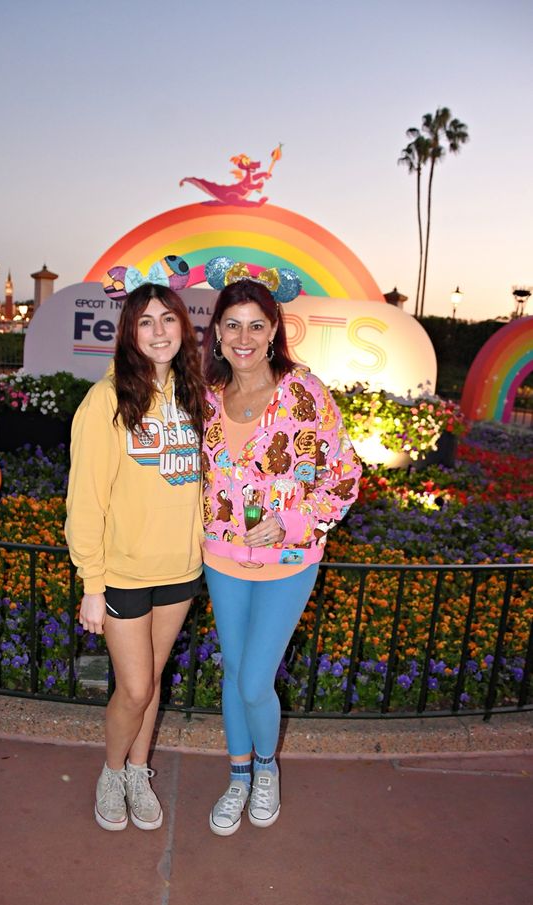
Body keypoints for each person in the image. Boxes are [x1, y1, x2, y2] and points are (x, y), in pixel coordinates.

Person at [201, 258, 362, 836]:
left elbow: (344, 474)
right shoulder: (205, 399)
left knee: (253, 680)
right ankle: (238, 775)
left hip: (290, 562)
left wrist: (294, 524)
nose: (244, 338)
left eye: (256, 325)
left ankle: (266, 768)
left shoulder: (304, 393)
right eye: (232, 325)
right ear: (217, 332)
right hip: (221, 559)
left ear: (274, 331)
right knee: (234, 672)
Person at [65, 277, 204, 832]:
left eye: (167, 319)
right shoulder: (106, 400)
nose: (158, 331)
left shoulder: (195, 397)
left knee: (154, 677)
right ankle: (112, 769)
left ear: (182, 328)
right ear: (129, 332)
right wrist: (91, 585)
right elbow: (85, 501)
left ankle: (139, 771)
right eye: (145, 321)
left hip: (180, 570)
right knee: (137, 687)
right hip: (123, 572)